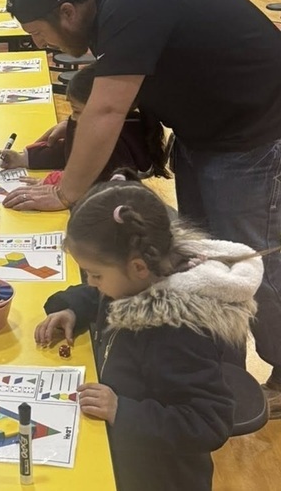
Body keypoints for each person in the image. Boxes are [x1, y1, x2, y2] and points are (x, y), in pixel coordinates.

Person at [5, 0, 281, 414]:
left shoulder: (130, 0)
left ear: (68, 12)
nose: (43, 44)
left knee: (252, 261)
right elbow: (117, 86)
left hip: (251, 132)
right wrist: (75, 124)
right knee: (201, 257)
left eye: (39, 32)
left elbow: (110, 109)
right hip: (207, 130)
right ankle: (220, 371)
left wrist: (63, 191)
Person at [36, 180, 262, 491]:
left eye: (95, 274)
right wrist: (74, 308)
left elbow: (210, 421)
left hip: (161, 477)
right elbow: (102, 296)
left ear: (139, 267)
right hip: (123, 457)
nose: (91, 282)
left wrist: (123, 411)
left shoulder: (178, 332)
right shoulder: (136, 277)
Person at [0, 62, 168, 182]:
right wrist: (22, 159)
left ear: (103, 106)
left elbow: (99, 183)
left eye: (77, 111)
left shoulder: (115, 143)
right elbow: (68, 154)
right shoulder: (107, 128)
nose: (73, 118)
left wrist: (56, 183)